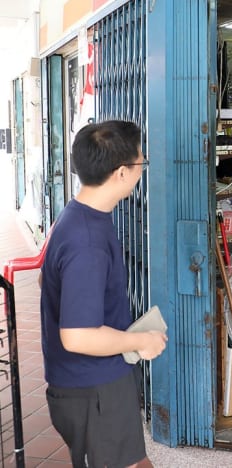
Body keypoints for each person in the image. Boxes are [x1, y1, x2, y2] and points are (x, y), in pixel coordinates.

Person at [39, 120, 168, 467]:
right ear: (121, 173)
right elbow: (77, 336)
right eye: (141, 162)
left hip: (92, 382)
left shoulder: (77, 214)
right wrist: (141, 342)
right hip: (93, 388)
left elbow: (45, 282)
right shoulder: (87, 241)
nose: (143, 168)